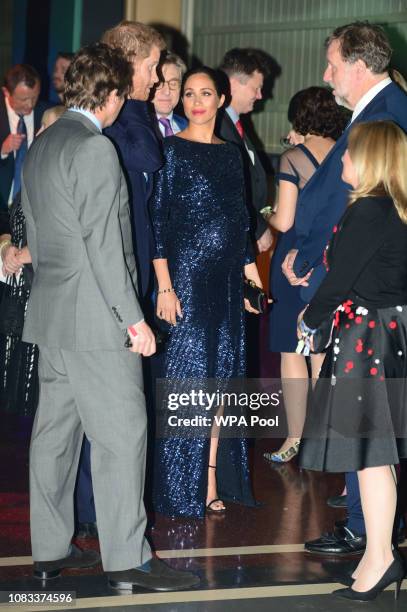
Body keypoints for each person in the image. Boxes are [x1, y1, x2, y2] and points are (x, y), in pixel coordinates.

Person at [21, 42, 198, 592]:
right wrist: (134, 320)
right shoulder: (95, 149)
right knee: (123, 435)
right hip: (98, 322)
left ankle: (49, 552)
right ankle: (128, 558)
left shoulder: (44, 144)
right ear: (113, 95)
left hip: (52, 316)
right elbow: (105, 247)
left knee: (54, 440)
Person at [281, 21, 407, 556]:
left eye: (333, 65)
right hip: (367, 290)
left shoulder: (384, 115)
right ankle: (373, 530)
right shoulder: (384, 108)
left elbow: (349, 208)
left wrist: (313, 262)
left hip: (367, 303)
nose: (327, 75)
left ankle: (369, 532)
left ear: (358, 65)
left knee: (367, 425)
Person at [298, 120, 407, 601]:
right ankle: (378, 554)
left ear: (369, 159)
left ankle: (381, 556)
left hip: (367, 337)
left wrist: (309, 319)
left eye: (348, 152)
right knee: (374, 455)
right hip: (386, 331)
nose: (341, 159)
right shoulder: (395, 209)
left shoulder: (371, 210)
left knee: (370, 455)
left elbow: (341, 278)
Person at [150, 67, 262, 518]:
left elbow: (240, 222)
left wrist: (252, 279)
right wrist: (165, 286)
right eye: (189, 93)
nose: (195, 101)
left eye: (205, 93)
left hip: (226, 283)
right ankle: (181, 483)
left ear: (221, 99)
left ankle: (211, 477)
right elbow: (158, 221)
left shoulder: (232, 155)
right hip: (186, 282)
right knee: (189, 382)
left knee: (219, 385)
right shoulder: (171, 149)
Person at [265, 87, 348, 462]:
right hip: (335, 258)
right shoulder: (347, 152)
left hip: (294, 259)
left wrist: (263, 214)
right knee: (321, 350)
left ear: (300, 118)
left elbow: (283, 219)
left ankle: (293, 439)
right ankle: (322, 442)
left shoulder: (293, 158)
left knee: (290, 351)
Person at [102, 21, 166, 300]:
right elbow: (149, 158)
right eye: (151, 67)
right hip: (114, 264)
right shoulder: (109, 118)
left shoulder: (131, 114)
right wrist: (137, 100)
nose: (156, 79)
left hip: (136, 256)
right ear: (128, 64)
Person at [217, 48, 273, 253]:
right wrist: (258, 227)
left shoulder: (235, 124)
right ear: (233, 84)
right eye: (255, 88)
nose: (260, 95)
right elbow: (227, 187)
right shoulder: (217, 125)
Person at [0, 64, 48, 210]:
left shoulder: (46, 113)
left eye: (35, 97)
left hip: (34, 206)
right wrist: (2, 150)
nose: (30, 104)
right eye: (23, 99)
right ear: (6, 93)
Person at [151, 52, 188, 137]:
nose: (167, 91)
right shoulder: (137, 126)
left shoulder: (188, 127)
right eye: (159, 84)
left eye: (173, 83)